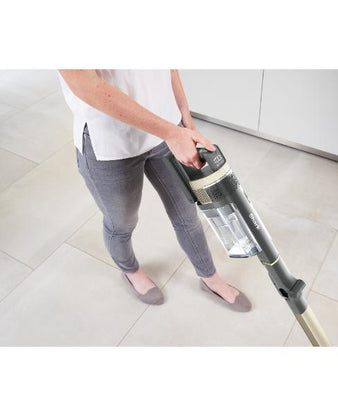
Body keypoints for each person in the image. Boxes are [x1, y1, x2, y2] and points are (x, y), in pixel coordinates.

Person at [58, 70, 251, 312]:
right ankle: (131, 271)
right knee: (122, 223)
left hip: (167, 127)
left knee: (186, 214)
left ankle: (210, 278)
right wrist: (172, 132)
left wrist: (183, 116)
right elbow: (86, 86)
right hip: (109, 141)